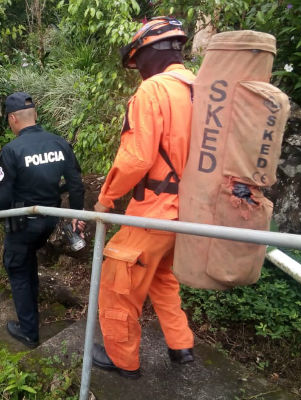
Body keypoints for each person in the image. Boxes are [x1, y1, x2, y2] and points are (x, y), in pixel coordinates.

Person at [91, 17, 195, 379]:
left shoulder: (153, 91)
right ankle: (182, 346)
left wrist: (106, 200)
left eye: (137, 62)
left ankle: (122, 361)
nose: (137, 71)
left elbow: (136, 157)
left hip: (154, 211)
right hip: (189, 213)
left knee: (118, 284)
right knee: (161, 277)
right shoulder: (203, 88)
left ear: (149, 54)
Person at [0, 92, 85, 348]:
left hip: (23, 225)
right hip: (51, 221)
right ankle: (31, 317)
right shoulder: (59, 143)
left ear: (13, 118)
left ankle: (28, 332)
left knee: (17, 268)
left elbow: (3, 194)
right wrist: (77, 217)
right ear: (35, 115)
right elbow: (76, 185)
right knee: (27, 263)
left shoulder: (12, 150)